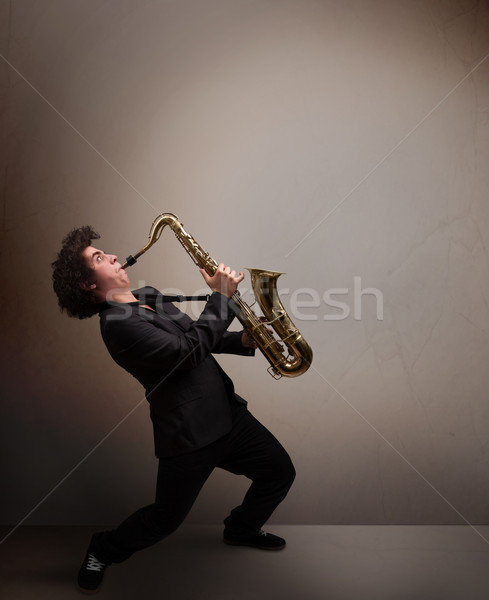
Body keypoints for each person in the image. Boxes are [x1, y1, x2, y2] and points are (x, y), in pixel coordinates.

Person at [51, 225, 295, 594]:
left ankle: (241, 528)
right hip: (190, 433)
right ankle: (102, 549)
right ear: (88, 285)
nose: (114, 256)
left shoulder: (145, 296)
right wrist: (221, 299)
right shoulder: (118, 327)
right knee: (164, 520)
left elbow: (195, 337)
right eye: (99, 258)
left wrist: (244, 339)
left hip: (227, 413)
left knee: (279, 472)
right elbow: (187, 355)